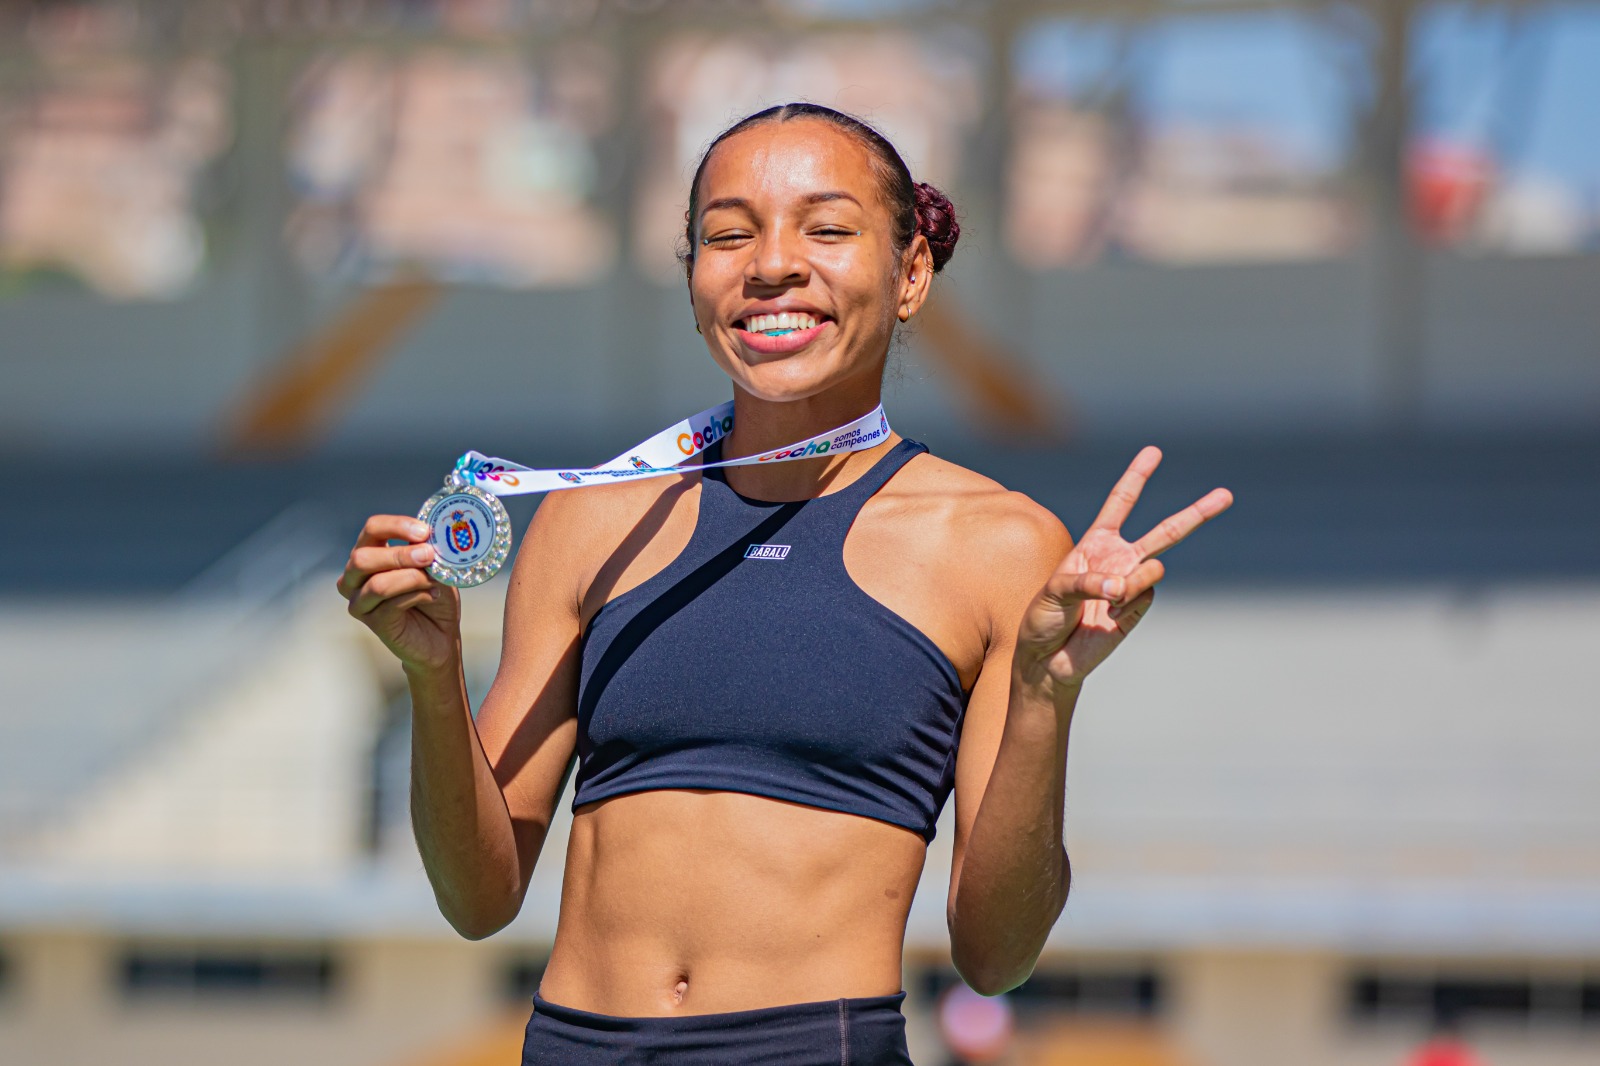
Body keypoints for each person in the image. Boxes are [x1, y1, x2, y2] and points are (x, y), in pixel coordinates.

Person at [337, 102, 1232, 1064]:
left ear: (911, 275)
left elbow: (995, 955)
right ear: (692, 279)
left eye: (828, 229)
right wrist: (433, 682)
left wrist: (1046, 697)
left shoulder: (996, 545)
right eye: (727, 234)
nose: (771, 263)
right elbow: (480, 899)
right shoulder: (589, 522)